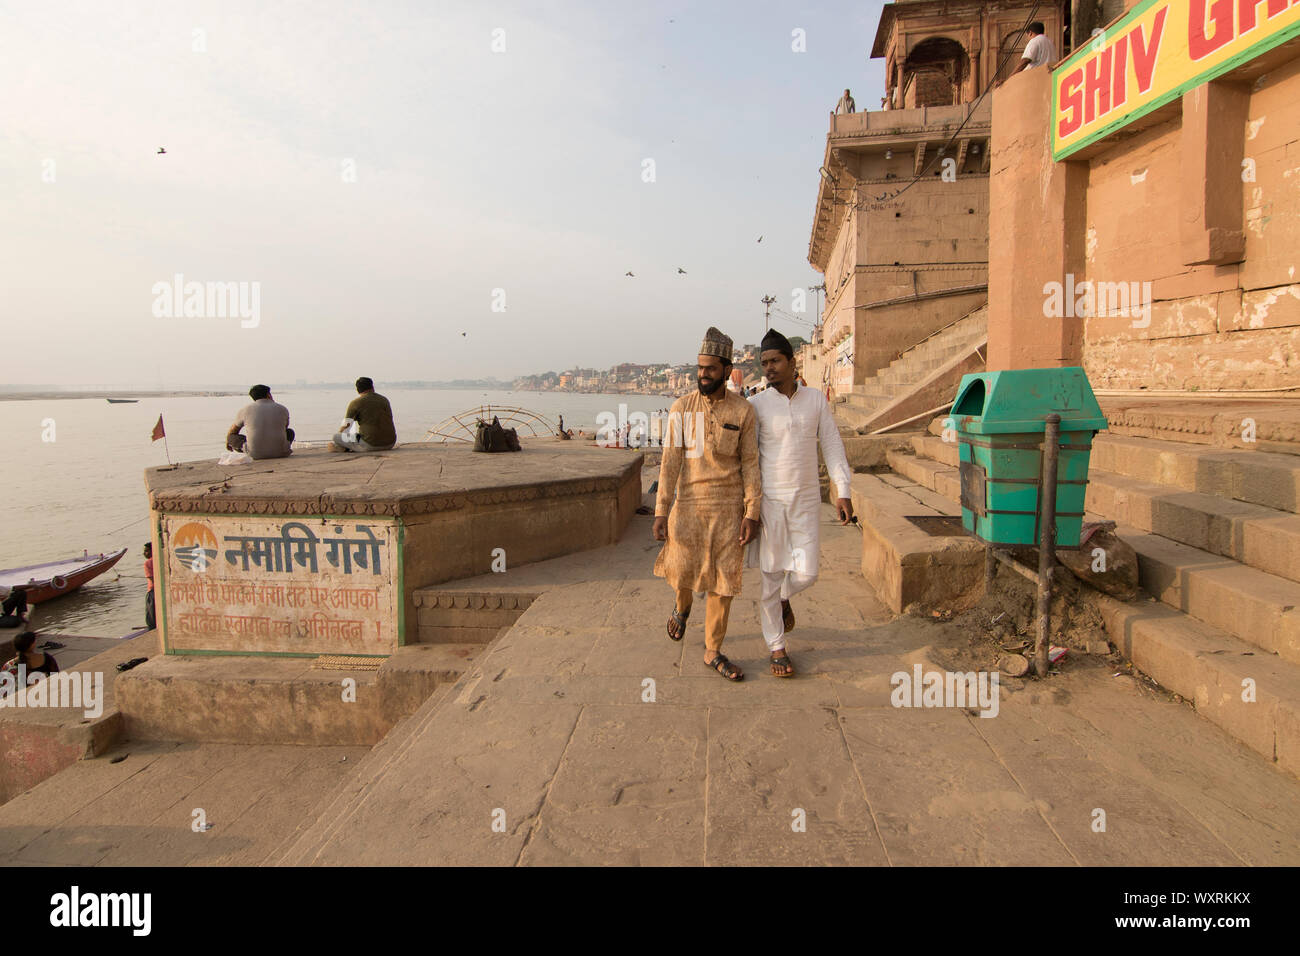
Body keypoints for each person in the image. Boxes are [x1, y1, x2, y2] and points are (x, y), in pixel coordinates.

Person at [653, 327, 761, 681]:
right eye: (699, 368)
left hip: (728, 511)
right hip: (688, 506)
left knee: (723, 582)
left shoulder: (744, 411)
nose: (703, 374)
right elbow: (670, 463)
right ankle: (682, 608)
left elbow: (750, 464)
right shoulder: (682, 408)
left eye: (710, 369)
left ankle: (712, 649)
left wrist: (752, 512)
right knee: (682, 568)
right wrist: (660, 511)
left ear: (727, 370)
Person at [748, 328, 853, 678]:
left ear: (793, 362)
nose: (769, 368)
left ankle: (783, 598)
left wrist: (843, 490)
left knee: (807, 573)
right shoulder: (757, 405)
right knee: (770, 575)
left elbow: (833, 445)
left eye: (775, 361)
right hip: (771, 502)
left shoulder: (816, 400)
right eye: (764, 363)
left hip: (807, 499)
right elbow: (747, 458)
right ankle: (777, 647)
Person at [227, 385, 294, 460]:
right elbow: (285, 428)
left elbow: (234, 431)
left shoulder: (245, 410)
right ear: (268, 395)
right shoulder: (283, 409)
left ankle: (252, 449)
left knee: (231, 436)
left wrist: (228, 441)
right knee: (290, 432)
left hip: (254, 454)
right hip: (281, 453)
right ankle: (279, 448)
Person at [333, 377, 397, 453]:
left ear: (357, 390)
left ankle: (343, 447)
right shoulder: (384, 399)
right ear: (372, 387)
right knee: (355, 435)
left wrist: (341, 438)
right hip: (390, 443)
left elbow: (346, 427)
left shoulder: (356, 403)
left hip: (370, 445)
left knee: (336, 437)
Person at [143, 542, 156, 630]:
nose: (144, 553)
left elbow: (152, 578)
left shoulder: (148, 563)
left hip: (152, 591)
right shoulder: (159, 560)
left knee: (151, 618)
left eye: (146, 551)